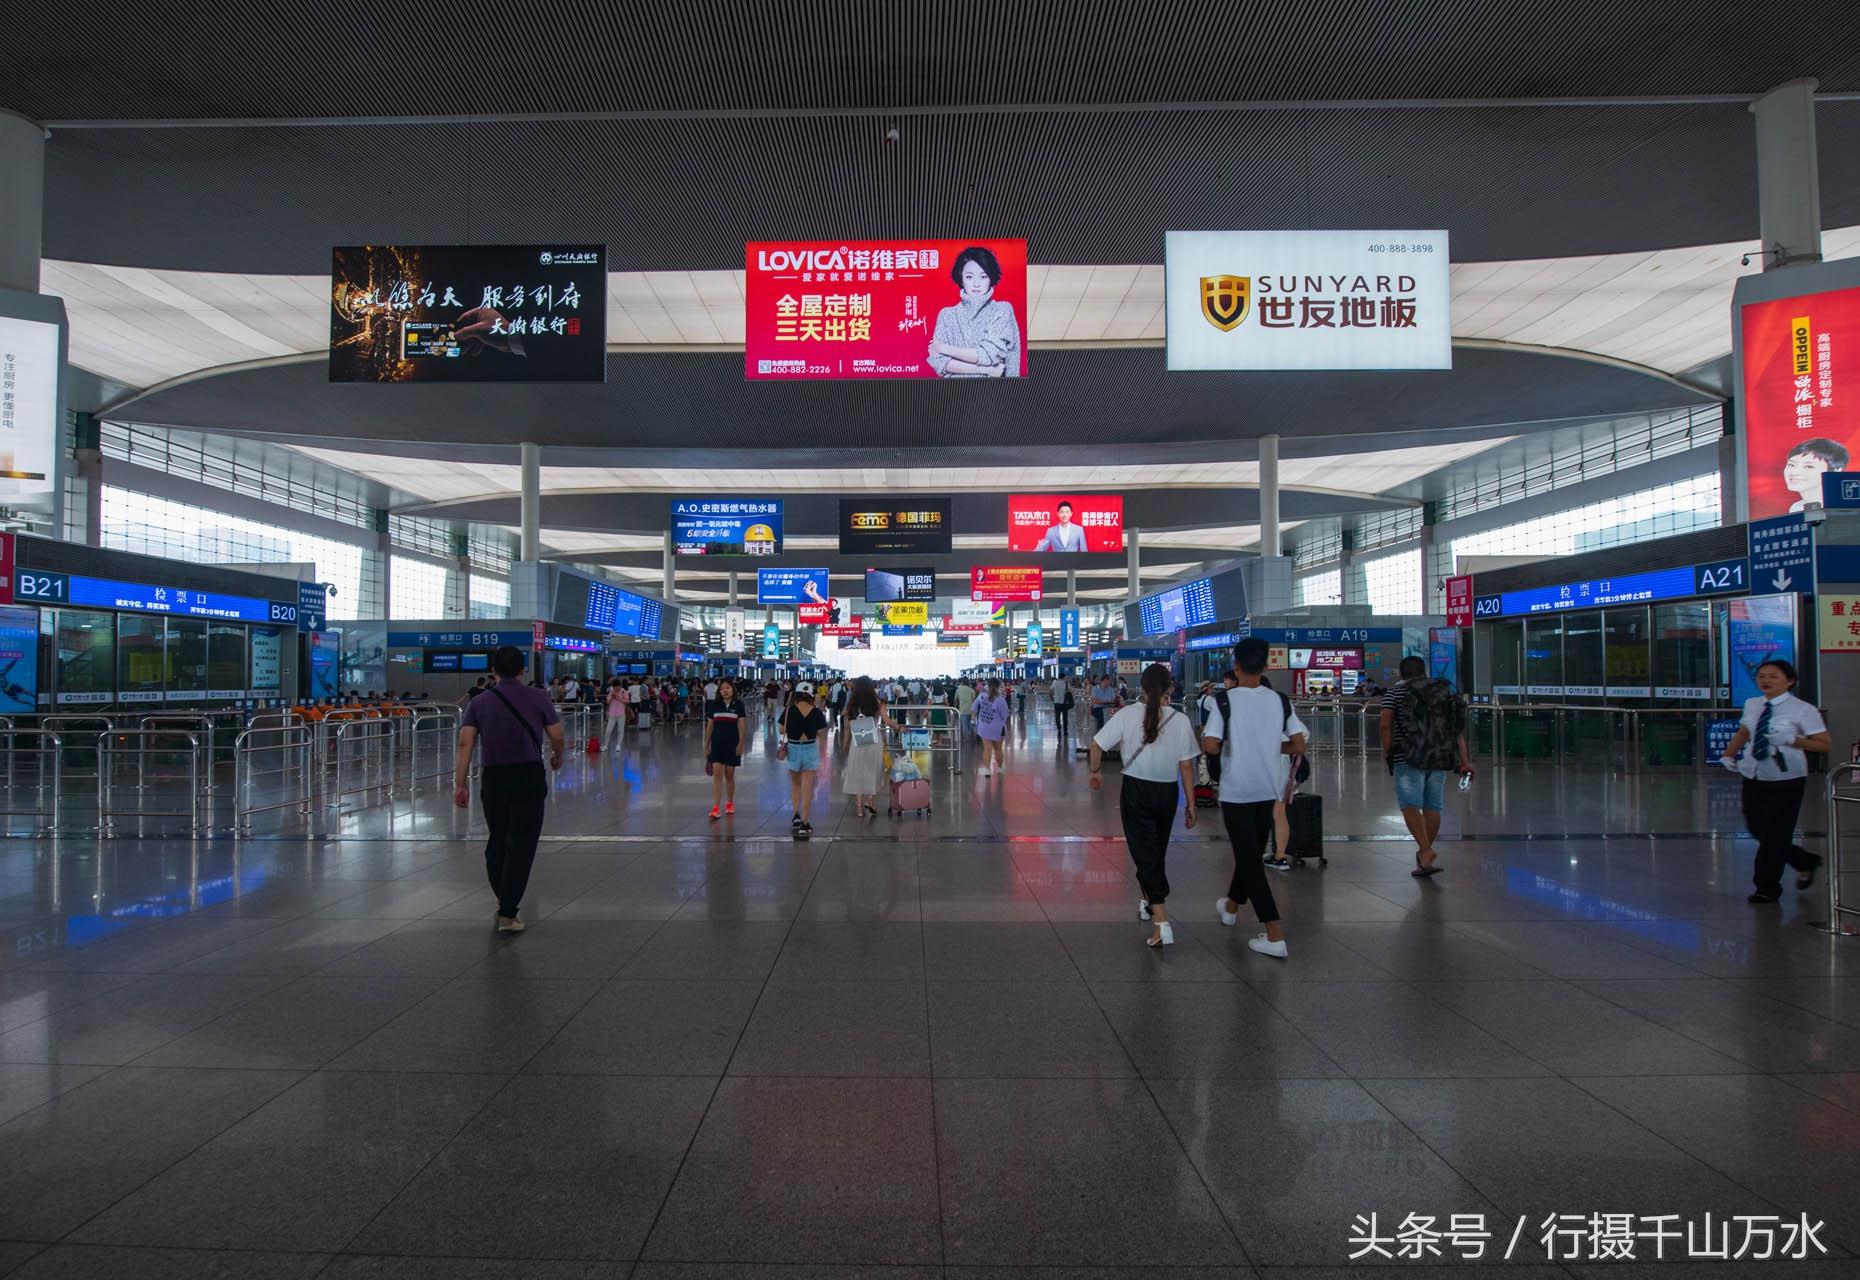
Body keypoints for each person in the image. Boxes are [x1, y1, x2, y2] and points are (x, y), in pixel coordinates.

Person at [1199, 638, 1302, 959]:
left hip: (1236, 790)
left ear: (1236, 665)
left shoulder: (1224, 701)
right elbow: (1298, 744)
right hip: (1268, 789)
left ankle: (1274, 934)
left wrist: (1232, 743)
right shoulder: (1280, 700)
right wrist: (1270, 745)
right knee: (1251, 853)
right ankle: (1231, 907)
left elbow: (1211, 744)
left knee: (1250, 861)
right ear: (1267, 665)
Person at [453, 646, 565, 934]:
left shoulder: (479, 702)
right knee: (522, 843)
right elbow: (556, 734)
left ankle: (503, 894)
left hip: (494, 777)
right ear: (522, 670)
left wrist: (460, 783)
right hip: (528, 775)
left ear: (493, 671)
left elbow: (466, 743)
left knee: (498, 838)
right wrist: (558, 755)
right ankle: (507, 909)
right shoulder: (538, 697)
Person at [1090, 663, 1201, 948]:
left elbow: (1096, 745)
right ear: (1170, 688)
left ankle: (1161, 921)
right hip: (1167, 792)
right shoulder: (1180, 720)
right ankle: (1146, 900)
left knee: (1144, 852)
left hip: (1136, 791)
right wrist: (1191, 803)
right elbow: (1186, 765)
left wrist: (1095, 772)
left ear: (1141, 686)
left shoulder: (1127, 715)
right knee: (1155, 850)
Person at [1721, 659, 1830, 904]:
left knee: (1776, 833)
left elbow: (1824, 744)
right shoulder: (1752, 704)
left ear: (1789, 681)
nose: (1766, 681)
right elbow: (1744, 732)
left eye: (1773, 676)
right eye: (1761, 676)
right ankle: (1804, 861)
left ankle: (1766, 887)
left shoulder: (1803, 709)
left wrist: (1793, 740)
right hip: (1754, 773)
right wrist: (1728, 754)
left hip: (1786, 778)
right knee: (1757, 828)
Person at [1380, 656, 1472, 878]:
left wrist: (1387, 750)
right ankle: (1424, 856)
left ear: (1402, 673)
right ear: (1424, 671)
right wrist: (1464, 760)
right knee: (1433, 806)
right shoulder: (1443, 691)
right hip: (1440, 756)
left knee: (1410, 804)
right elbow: (1455, 729)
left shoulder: (1396, 693)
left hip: (1409, 756)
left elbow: (1385, 724)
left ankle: (1426, 850)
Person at [927, 245, 1021, 378]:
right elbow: (939, 363)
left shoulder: (1002, 309)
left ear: (991, 278)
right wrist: (988, 370)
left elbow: (988, 354)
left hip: (997, 389)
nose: (976, 284)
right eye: (969, 277)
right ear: (961, 277)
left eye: (983, 276)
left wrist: (943, 348)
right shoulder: (946, 315)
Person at [780, 682, 828, 839]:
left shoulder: (790, 710)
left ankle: (796, 816)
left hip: (793, 748)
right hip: (810, 749)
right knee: (807, 788)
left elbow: (782, 729)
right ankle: (805, 823)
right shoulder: (816, 712)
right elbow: (821, 732)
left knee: (795, 784)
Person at [839, 676, 889, 819]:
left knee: (858, 772)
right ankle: (870, 801)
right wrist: (898, 727)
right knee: (873, 771)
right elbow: (886, 720)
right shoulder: (877, 702)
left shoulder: (852, 704)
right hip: (874, 742)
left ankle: (859, 807)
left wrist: (845, 744)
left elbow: (847, 726)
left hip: (857, 742)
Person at [705, 677, 747, 820]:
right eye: (722, 689)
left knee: (729, 774)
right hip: (717, 744)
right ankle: (715, 807)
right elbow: (710, 726)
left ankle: (729, 802)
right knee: (717, 774)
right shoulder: (714, 705)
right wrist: (706, 745)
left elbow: (741, 725)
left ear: (732, 689)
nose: (725, 691)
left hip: (732, 744)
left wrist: (741, 744)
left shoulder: (739, 705)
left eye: (727, 688)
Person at [1784, 437, 1849, 514]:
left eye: (1809, 466)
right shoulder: (1797, 508)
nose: (1794, 472)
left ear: (1836, 470)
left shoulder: (1844, 508)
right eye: (1791, 465)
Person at [1199, 671, 1238, 786]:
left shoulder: (1201, 699)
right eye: (1211, 688)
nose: (1212, 690)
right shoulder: (1212, 700)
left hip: (1206, 728)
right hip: (1213, 730)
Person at [973, 677, 1011, 777]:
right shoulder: (1000, 699)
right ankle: (999, 768)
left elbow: (974, 707)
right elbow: (1005, 715)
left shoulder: (982, 696)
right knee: (998, 749)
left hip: (984, 727)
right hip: (998, 728)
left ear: (988, 685)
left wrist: (974, 718)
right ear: (999, 687)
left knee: (987, 748)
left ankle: (987, 770)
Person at [603, 677, 628, 753]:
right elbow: (607, 702)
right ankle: (605, 745)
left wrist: (617, 697)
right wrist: (611, 697)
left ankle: (618, 745)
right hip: (612, 714)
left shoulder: (624, 691)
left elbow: (627, 701)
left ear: (620, 686)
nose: (616, 688)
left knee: (620, 730)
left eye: (617, 687)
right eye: (614, 687)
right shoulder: (611, 692)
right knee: (608, 730)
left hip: (621, 714)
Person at [1050, 671, 1072, 739]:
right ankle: (1065, 730)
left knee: (1057, 717)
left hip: (1057, 703)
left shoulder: (1054, 683)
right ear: (1064, 677)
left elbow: (1050, 691)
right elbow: (1069, 692)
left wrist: (1052, 699)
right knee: (1065, 717)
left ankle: (1059, 730)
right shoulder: (1066, 683)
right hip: (1064, 703)